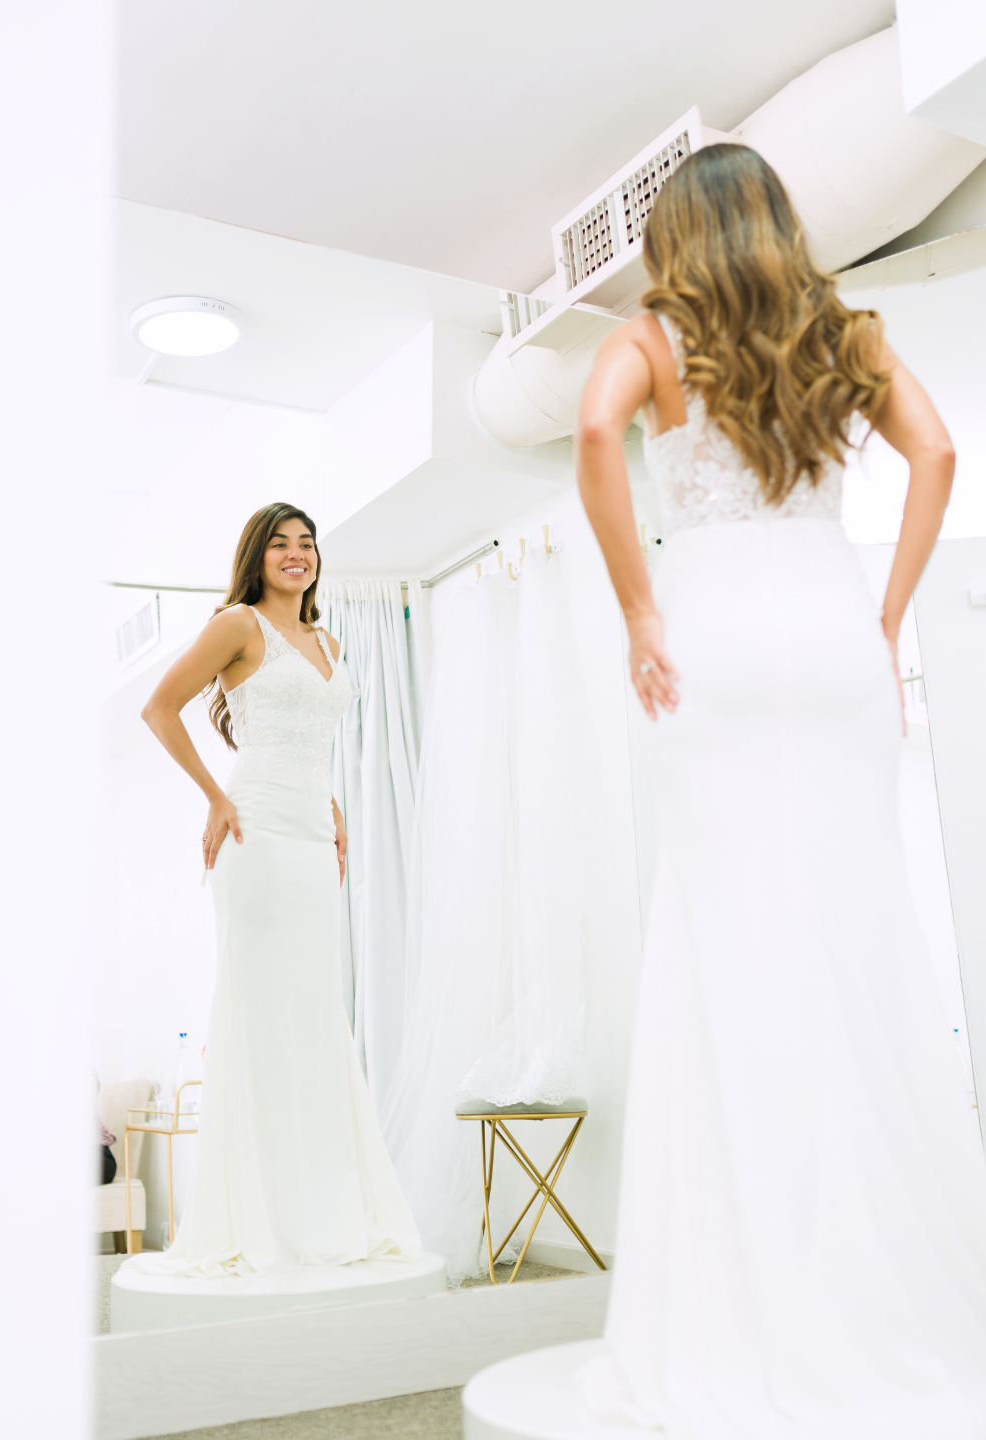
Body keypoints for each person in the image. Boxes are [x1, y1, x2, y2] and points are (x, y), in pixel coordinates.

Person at [576, 145, 986, 1435]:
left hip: (715, 635)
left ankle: (748, 1303)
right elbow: (937, 456)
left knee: (729, 949)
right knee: (857, 937)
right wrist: (886, 611)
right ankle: (890, 1290)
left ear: (679, 233)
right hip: (829, 631)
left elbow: (591, 429)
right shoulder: (845, 331)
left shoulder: (652, 336)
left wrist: (641, 606)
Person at [125, 502, 420, 1277]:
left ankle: (321, 1207)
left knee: (317, 1013)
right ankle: (259, 1219)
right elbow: (158, 708)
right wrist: (215, 798)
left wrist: (331, 807)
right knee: (262, 1012)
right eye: (281, 545)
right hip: (254, 833)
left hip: (314, 835)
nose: (297, 555)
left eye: (308, 544)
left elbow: (313, 740)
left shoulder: (326, 639)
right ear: (258, 558)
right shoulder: (238, 625)